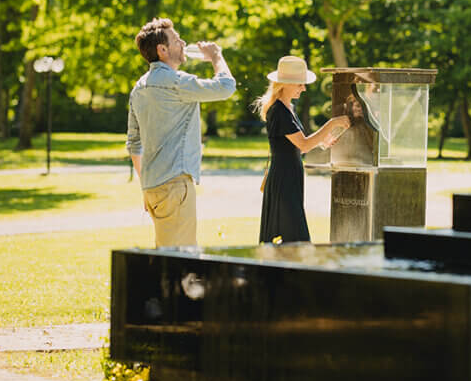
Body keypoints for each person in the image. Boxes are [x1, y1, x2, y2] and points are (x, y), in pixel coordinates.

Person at [126, 18, 236, 247]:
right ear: (162, 49)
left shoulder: (138, 88)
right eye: (176, 40)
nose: (183, 42)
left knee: (170, 256)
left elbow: (134, 144)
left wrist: (146, 186)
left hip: (153, 187)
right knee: (179, 262)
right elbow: (226, 87)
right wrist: (216, 56)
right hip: (175, 184)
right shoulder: (177, 82)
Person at [254, 55, 349, 244]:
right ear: (285, 84)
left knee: (291, 237)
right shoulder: (279, 111)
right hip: (284, 179)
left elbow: (296, 146)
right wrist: (332, 123)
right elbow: (304, 144)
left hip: (290, 176)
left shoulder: (288, 108)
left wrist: (322, 141)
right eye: (300, 84)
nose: (304, 88)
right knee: (295, 237)